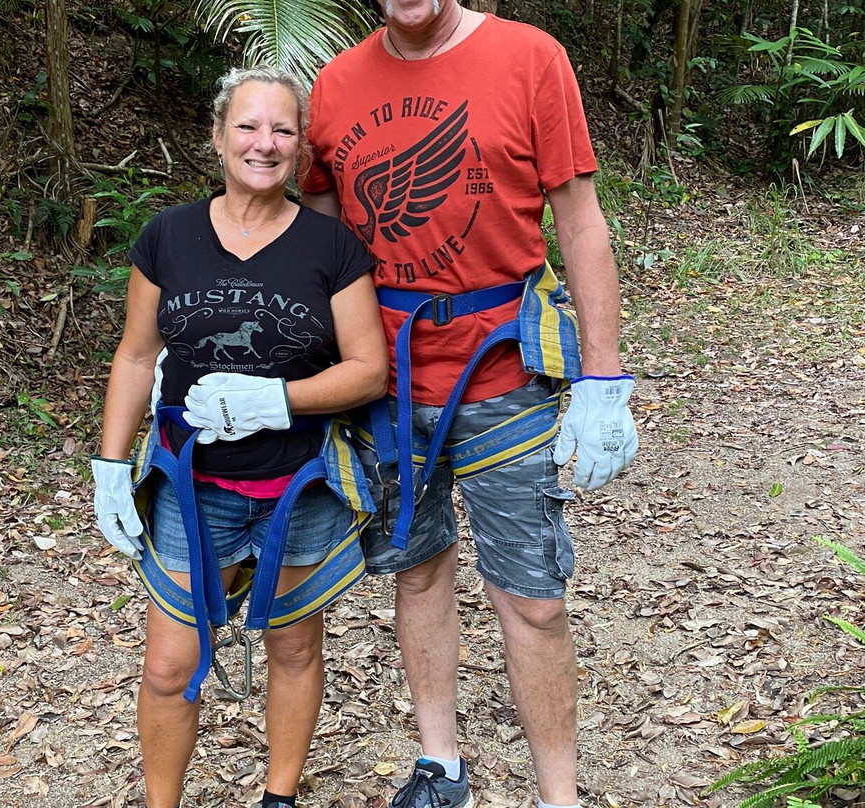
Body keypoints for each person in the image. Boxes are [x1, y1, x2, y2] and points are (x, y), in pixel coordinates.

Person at [300, 4, 638, 808]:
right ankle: (439, 763)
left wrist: (603, 377)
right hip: (381, 379)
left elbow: (580, 221)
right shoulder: (337, 81)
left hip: (502, 373)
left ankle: (561, 797)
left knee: (532, 598)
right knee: (415, 577)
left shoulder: (531, 58)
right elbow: (315, 231)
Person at [91, 66, 389, 808]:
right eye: (249, 127)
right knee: (168, 665)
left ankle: (278, 797)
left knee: (292, 646)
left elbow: (368, 371)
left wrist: (277, 400)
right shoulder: (167, 236)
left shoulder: (331, 247)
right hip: (194, 488)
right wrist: (108, 463)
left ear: (301, 148)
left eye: (283, 129)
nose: (265, 143)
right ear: (219, 137)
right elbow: (135, 354)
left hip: (298, 483)